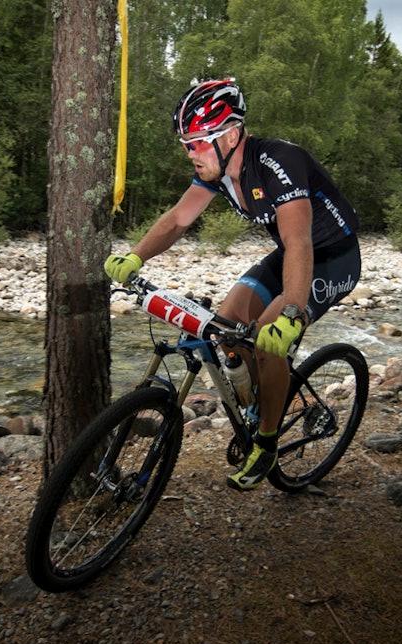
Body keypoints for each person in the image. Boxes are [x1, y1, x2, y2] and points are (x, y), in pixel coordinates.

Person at [104, 78, 361, 492]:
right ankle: (264, 400)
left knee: (266, 339)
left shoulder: (280, 162)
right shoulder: (218, 171)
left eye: (197, 143)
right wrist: (135, 257)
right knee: (226, 326)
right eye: (186, 144)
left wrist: (292, 312)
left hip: (331, 258)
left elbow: (298, 241)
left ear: (231, 134)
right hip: (290, 256)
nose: (190, 153)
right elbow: (177, 219)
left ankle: (267, 441)